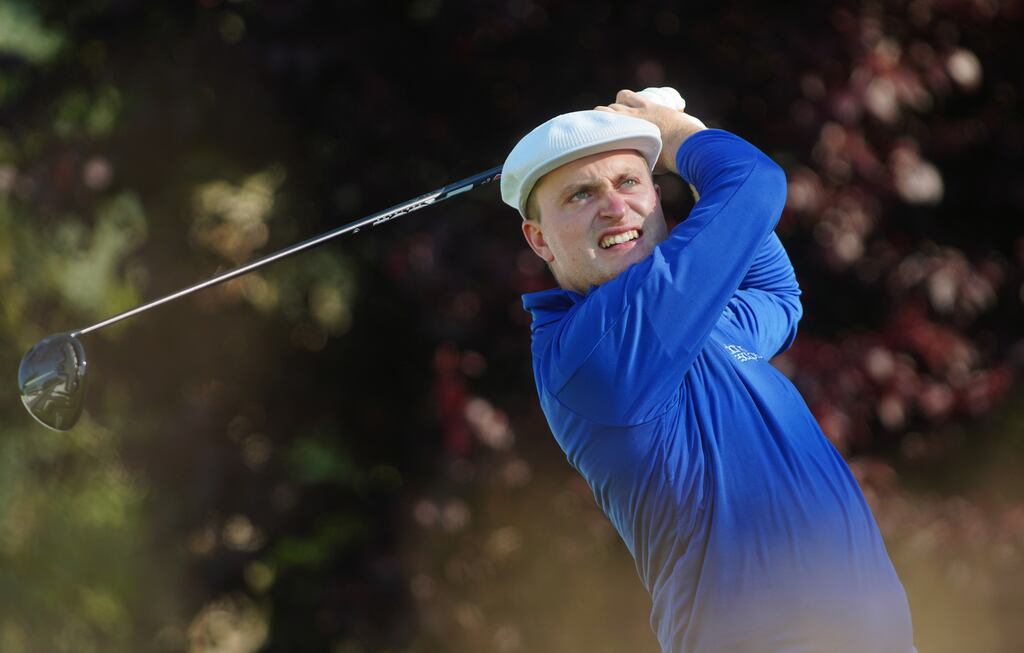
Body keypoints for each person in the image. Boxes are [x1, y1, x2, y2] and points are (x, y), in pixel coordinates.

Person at [499, 87, 916, 653]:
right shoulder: (595, 351)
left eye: (629, 182)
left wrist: (694, 158)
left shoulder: (700, 324)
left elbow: (776, 295)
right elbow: (755, 184)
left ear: (655, 195)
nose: (615, 207)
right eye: (580, 194)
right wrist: (676, 134)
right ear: (539, 239)